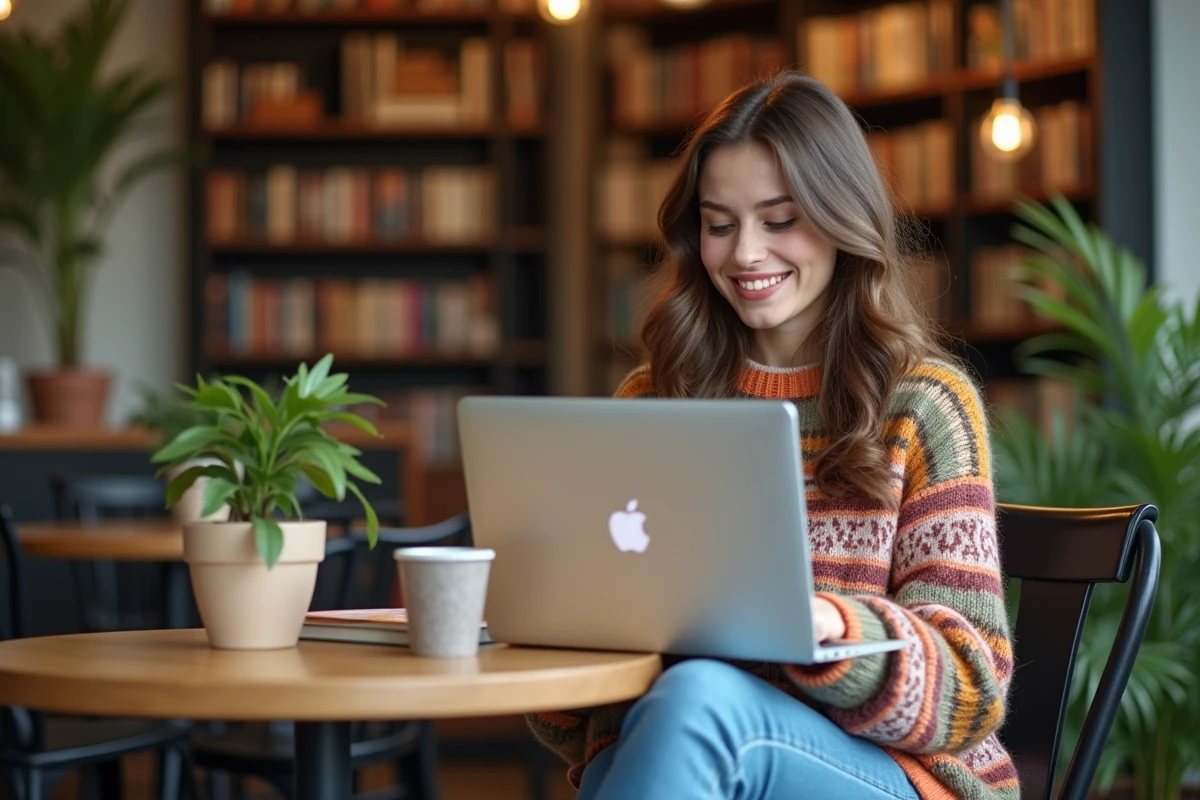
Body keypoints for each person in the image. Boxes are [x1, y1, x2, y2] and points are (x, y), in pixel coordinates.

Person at [526, 70, 1017, 800]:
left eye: (779, 219)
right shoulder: (655, 401)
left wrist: (823, 625)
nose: (745, 253)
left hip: (898, 778)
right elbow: (575, 724)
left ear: (840, 215)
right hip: (680, 755)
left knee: (698, 708)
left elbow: (972, 687)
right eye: (719, 225)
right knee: (649, 737)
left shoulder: (924, 407)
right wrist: (557, 632)